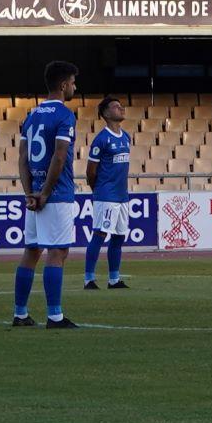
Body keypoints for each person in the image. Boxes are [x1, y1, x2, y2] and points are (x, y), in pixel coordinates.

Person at [14, 61, 82, 329]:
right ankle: (55, 316)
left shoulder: (30, 116)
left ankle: (20, 313)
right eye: (73, 83)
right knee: (57, 252)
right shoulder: (65, 116)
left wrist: (30, 192)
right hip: (57, 193)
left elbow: (22, 158)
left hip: (35, 192)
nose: (75, 87)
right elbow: (60, 155)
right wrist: (45, 193)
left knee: (31, 250)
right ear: (63, 85)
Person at [84, 96, 133, 290]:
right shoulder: (101, 139)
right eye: (115, 106)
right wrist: (98, 191)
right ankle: (89, 279)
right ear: (105, 113)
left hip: (122, 195)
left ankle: (114, 279)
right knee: (100, 234)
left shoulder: (126, 137)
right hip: (106, 194)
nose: (121, 108)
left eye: (121, 106)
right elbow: (90, 171)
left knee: (119, 236)